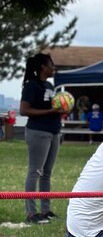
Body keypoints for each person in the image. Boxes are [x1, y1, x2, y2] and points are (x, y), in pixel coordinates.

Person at [20, 53, 65, 224]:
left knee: (47, 173)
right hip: (38, 132)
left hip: (54, 131)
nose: (53, 68)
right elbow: (24, 110)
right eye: (51, 65)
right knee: (35, 171)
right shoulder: (32, 86)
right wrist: (49, 112)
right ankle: (31, 213)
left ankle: (46, 210)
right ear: (42, 67)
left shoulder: (49, 85)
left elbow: (51, 107)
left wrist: (61, 109)